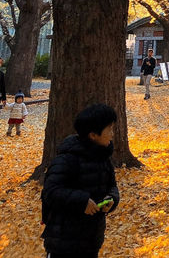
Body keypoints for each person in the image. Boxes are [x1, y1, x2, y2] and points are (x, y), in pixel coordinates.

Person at [41, 103, 120, 258]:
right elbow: (50, 192)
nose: (112, 134)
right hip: (63, 243)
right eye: (109, 129)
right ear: (93, 135)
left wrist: (111, 199)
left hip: (91, 240)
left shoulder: (103, 158)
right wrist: (82, 201)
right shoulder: (67, 159)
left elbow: (112, 186)